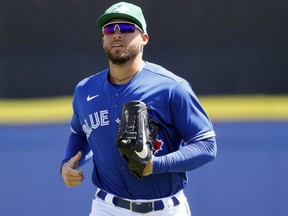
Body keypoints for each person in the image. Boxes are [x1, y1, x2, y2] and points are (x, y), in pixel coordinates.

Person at [61, 2, 217, 216]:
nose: (116, 34)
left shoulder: (171, 87)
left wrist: (157, 164)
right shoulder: (85, 90)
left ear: (144, 38)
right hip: (107, 208)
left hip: (165, 209)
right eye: (109, 29)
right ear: (103, 40)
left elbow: (206, 145)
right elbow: (80, 133)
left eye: (126, 28)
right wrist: (69, 163)